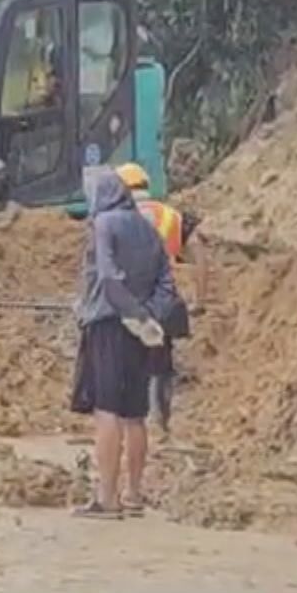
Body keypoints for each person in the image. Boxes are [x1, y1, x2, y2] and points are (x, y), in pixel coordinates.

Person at [69, 167, 177, 520]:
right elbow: (167, 283)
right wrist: (149, 318)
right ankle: (133, 494)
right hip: (142, 330)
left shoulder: (104, 225)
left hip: (108, 324)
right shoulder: (147, 228)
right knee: (135, 413)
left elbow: (108, 276)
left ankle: (107, 498)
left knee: (107, 409)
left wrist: (128, 312)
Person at [117, 162, 195, 442]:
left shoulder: (117, 218)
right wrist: (202, 296)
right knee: (161, 364)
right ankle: (161, 422)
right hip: (166, 301)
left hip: (132, 301)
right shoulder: (172, 216)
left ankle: (134, 423)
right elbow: (201, 254)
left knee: (130, 362)